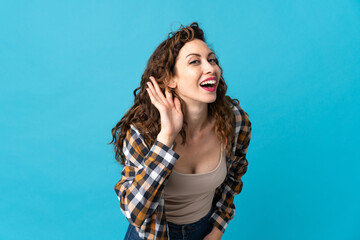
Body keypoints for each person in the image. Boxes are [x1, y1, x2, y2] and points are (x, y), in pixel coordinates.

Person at [110, 22, 252, 240]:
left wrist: (217, 230)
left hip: (203, 231)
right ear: (169, 79)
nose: (210, 68)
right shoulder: (143, 132)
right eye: (195, 61)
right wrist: (166, 137)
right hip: (153, 235)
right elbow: (135, 213)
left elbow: (235, 174)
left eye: (212, 60)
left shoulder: (234, 120)